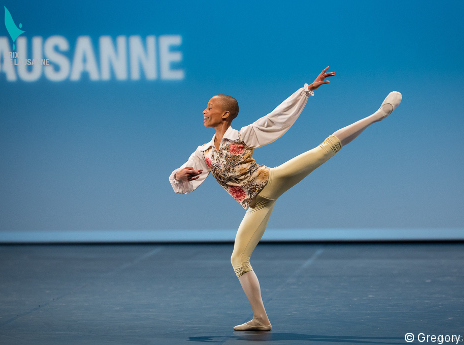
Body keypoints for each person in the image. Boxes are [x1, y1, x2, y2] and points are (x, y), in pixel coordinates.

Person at [169, 67, 402, 331]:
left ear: (225, 114)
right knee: (238, 260)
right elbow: (182, 177)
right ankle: (261, 319)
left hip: (272, 181)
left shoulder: (243, 136)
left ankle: (378, 115)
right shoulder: (204, 152)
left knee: (324, 149)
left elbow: (275, 118)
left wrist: (306, 91)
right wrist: (181, 173)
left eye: (210, 107)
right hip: (257, 204)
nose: (204, 110)